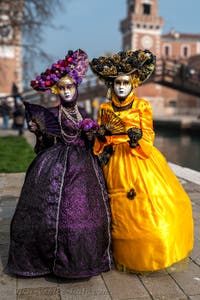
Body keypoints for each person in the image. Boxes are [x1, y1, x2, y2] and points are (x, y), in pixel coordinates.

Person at [6, 49, 111, 278]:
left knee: (84, 209)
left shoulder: (83, 111)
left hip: (83, 164)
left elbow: (88, 139)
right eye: (62, 88)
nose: (66, 91)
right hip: (55, 161)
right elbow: (47, 139)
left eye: (70, 87)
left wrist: (92, 132)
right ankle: (50, 258)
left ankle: (79, 259)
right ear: (57, 90)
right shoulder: (52, 113)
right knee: (49, 211)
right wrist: (39, 131)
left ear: (76, 88)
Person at [90, 49, 194, 273]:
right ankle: (117, 251)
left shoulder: (142, 106)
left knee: (150, 205)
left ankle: (149, 253)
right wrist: (101, 137)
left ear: (132, 84)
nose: (121, 87)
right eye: (117, 83)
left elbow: (149, 135)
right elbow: (103, 140)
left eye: (125, 83)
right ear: (112, 84)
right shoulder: (105, 108)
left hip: (139, 158)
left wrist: (138, 139)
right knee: (117, 208)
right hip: (114, 161)